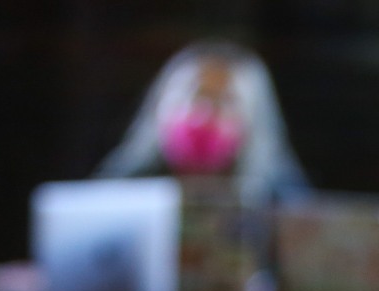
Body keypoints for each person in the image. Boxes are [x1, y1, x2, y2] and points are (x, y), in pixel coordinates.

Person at [97, 41, 307, 201]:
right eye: (194, 97)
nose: (204, 115)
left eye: (224, 102)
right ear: (159, 105)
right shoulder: (116, 194)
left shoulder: (283, 204)